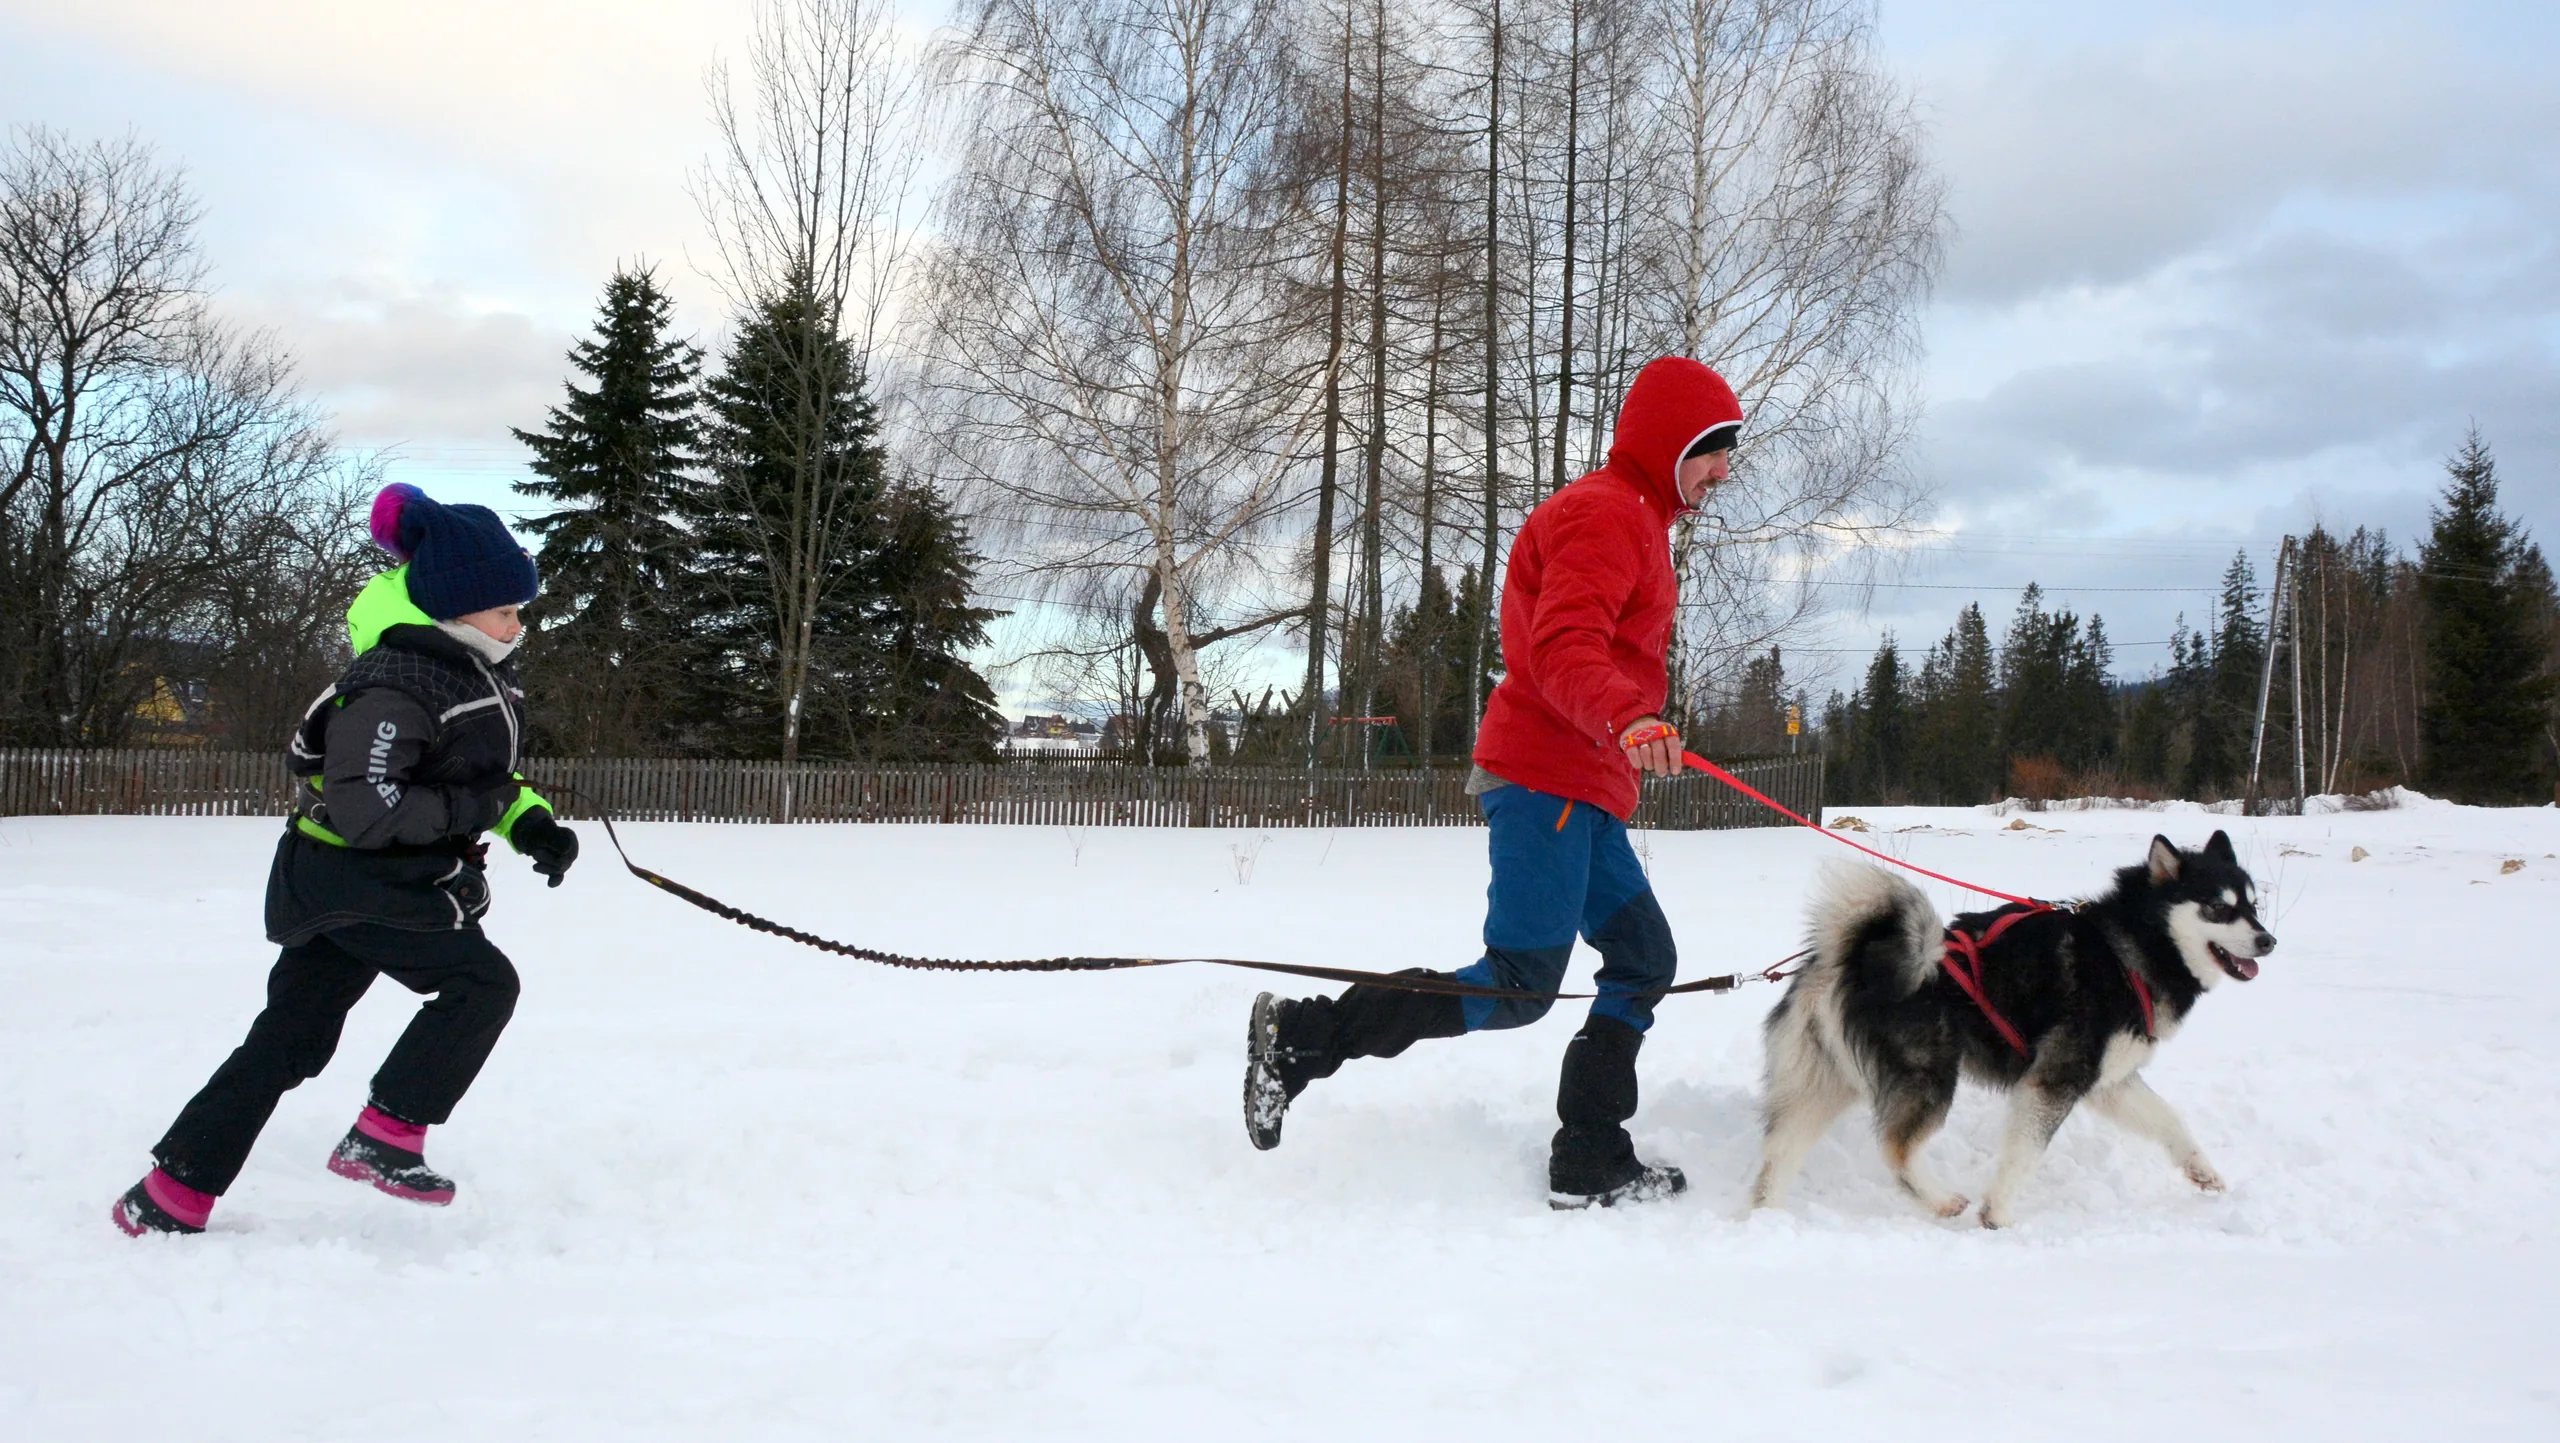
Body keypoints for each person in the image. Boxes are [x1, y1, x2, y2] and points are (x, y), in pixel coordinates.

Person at [1244, 355, 1742, 1209]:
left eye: (1729, 450)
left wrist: (1623, 728)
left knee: (1643, 957)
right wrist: (1629, 716)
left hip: (1584, 788)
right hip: (1548, 780)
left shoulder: (1636, 520)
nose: (1723, 469)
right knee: (1518, 984)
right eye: (1711, 447)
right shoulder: (1605, 513)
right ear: (1668, 441)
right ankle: (1303, 1036)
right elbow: (1561, 645)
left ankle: (1589, 1152)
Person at [113, 484, 581, 1236]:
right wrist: (474, 810)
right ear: (456, 609)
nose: (517, 625)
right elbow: (370, 809)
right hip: (353, 874)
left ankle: (171, 1192)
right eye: (505, 610)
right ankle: (387, 1133)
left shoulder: (468, 673)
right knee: (482, 982)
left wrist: (532, 825)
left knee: (290, 1037)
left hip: (354, 878)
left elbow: (478, 776)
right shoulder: (394, 683)